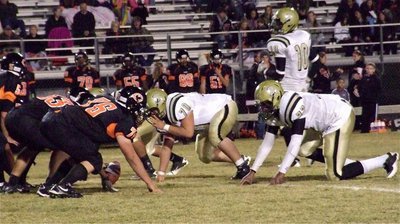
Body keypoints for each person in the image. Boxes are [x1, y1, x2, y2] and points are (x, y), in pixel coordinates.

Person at [240, 80, 399, 185]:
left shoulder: (292, 106)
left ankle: (385, 159)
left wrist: (282, 172)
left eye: (265, 104)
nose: (262, 108)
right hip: (321, 120)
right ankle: (339, 158)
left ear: (276, 99)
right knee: (305, 150)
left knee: (335, 174)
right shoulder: (275, 111)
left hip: (338, 116)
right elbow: (267, 144)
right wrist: (253, 171)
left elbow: (294, 142)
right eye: (261, 105)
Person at [40, 86, 161, 197]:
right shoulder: (124, 118)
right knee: (94, 159)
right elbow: (132, 157)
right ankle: (63, 186)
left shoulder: (104, 98)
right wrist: (151, 184)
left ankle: (48, 186)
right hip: (63, 124)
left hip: (51, 117)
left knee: (82, 155)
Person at [146, 88, 251, 180]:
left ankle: (243, 168)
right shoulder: (165, 115)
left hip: (223, 106)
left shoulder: (176, 104)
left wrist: (164, 126)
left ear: (161, 104)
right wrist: (161, 173)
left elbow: (188, 132)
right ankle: (241, 159)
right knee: (205, 155)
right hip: (209, 121)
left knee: (215, 136)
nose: (152, 114)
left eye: (153, 110)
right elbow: (166, 146)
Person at [0, 53, 27, 190]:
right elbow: (4, 113)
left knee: (6, 149)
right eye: (22, 62)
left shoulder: (6, 78)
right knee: (2, 147)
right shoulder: (11, 80)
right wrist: (7, 136)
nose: (24, 65)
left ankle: (14, 181)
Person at [357, 62, 381, 133]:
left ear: (374, 70)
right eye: (367, 68)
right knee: (364, 116)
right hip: (365, 101)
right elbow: (360, 88)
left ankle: (372, 130)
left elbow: (379, 90)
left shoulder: (376, 79)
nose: (369, 70)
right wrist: (361, 96)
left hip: (373, 101)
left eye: (371, 68)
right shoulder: (363, 79)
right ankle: (364, 130)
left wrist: (376, 99)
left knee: (372, 116)